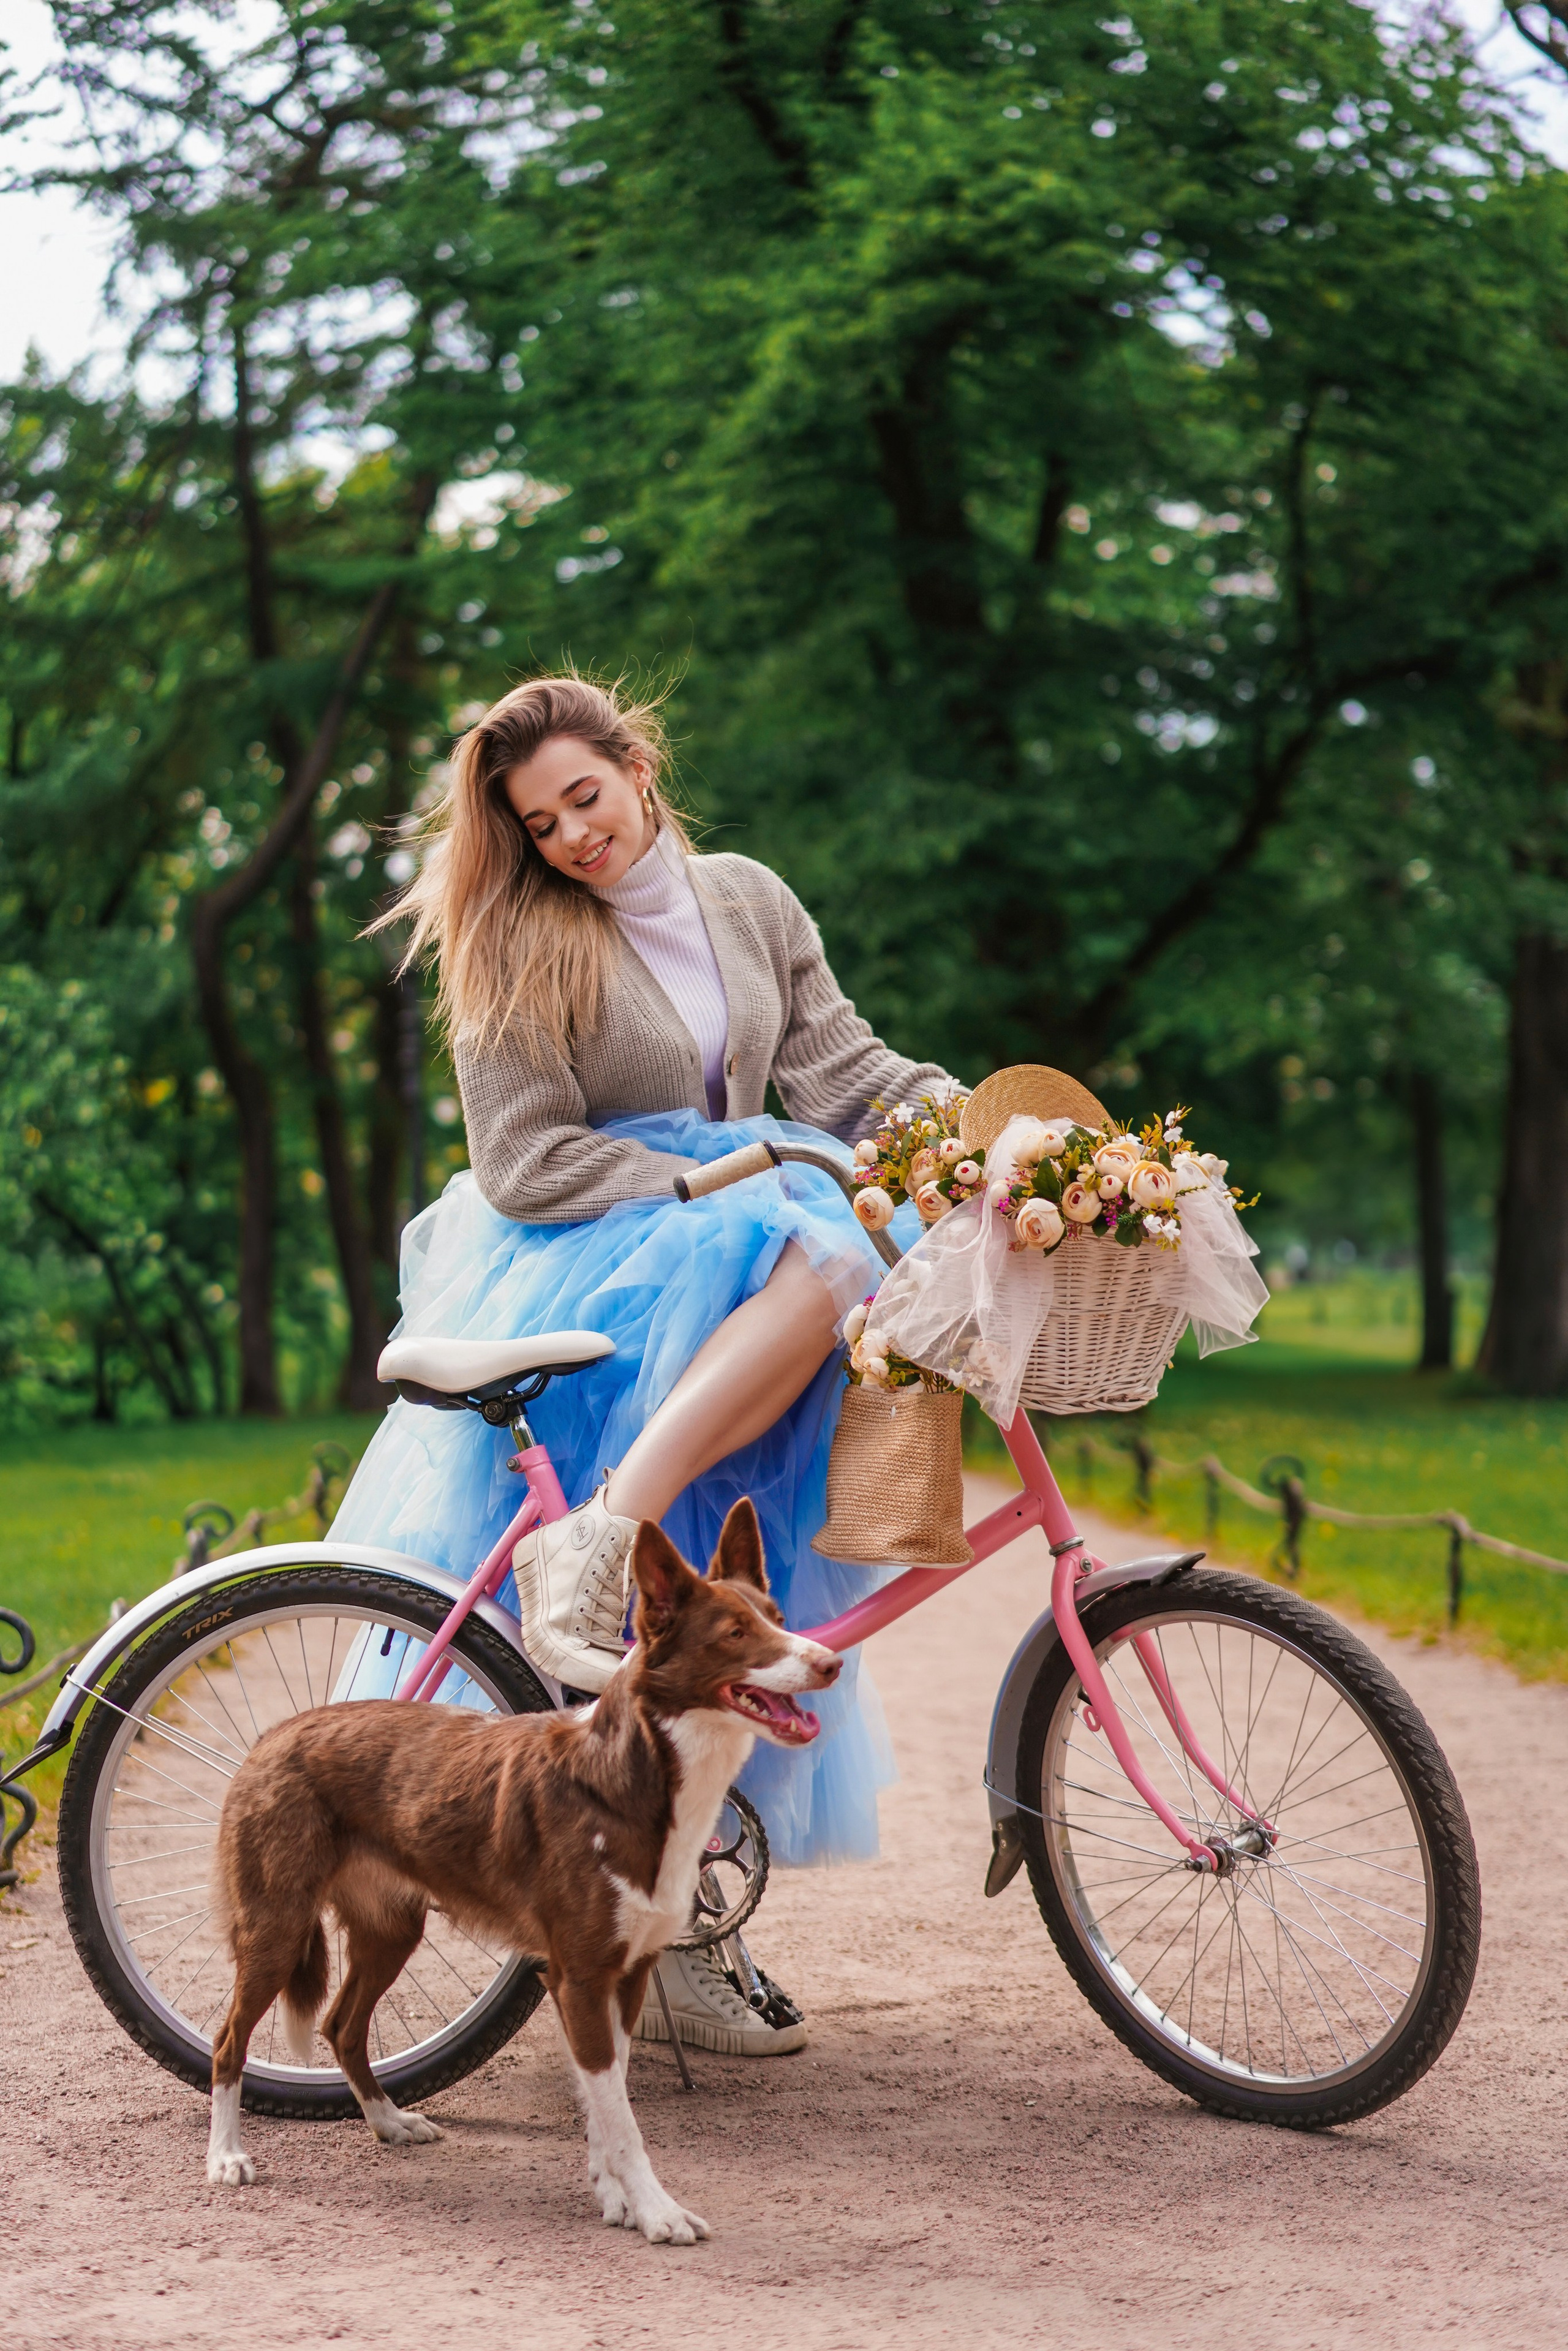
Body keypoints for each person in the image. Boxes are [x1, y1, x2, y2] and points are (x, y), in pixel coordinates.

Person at [330, 671, 962, 2055]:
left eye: (584, 797)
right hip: (607, 1268)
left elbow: (846, 1069)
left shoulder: (746, 896)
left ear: (636, 764)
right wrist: (699, 1185)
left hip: (744, 1294)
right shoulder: (515, 937)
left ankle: (680, 1930)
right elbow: (522, 1158)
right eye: (538, 821)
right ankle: (608, 1521)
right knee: (829, 1246)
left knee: (725, 1624)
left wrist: (979, 1131)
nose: (569, 835)